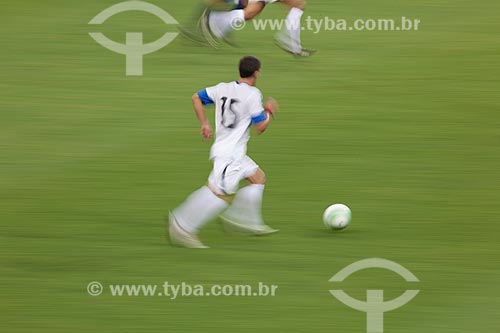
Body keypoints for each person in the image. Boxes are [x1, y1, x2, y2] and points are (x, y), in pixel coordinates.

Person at [169, 56, 279, 248]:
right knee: (218, 193)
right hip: (230, 155)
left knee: (258, 178)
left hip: (230, 150)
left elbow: (196, 97)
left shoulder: (222, 88)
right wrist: (269, 111)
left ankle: (244, 220)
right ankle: (182, 226)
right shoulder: (253, 94)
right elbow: (260, 127)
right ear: (256, 73)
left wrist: (204, 124)